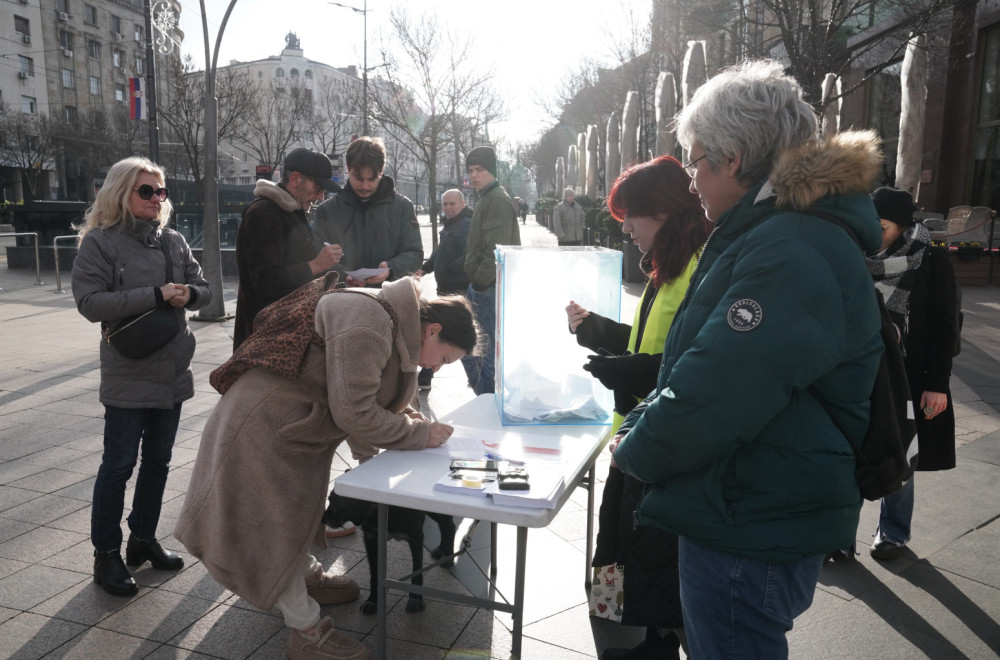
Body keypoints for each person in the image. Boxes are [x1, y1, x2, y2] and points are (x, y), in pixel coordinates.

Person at [610, 60, 885, 659]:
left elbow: (718, 389)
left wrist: (634, 449)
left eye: (695, 162)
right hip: (750, 501)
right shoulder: (779, 234)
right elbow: (706, 363)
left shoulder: (789, 246)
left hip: (749, 515)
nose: (691, 180)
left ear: (732, 159)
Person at [174, 276, 478, 660]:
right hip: (262, 426)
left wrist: (413, 428)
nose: (437, 367)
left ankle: (302, 575)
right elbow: (356, 412)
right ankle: (306, 631)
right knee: (274, 525)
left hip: (288, 424)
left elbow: (370, 392)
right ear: (433, 330)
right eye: (445, 358)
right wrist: (419, 434)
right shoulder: (370, 325)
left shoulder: (396, 321)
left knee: (294, 513)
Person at [568, 156, 711, 660]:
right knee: (628, 553)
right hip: (636, 439)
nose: (625, 227)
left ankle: (655, 640)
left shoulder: (699, 270)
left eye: (631, 214)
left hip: (661, 445)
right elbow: (650, 343)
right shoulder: (667, 269)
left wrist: (627, 371)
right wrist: (597, 331)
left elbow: (693, 369)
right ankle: (647, 637)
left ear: (665, 211)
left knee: (646, 558)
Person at [71, 156, 212, 597]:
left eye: (160, 191)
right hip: (128, 372)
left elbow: (205, 290)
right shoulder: (100, 242)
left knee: (159, 461)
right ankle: (106, 555)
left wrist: (189, 294)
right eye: (146, 190)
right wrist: (155, 294)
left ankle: (143, 538)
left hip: (173, 371)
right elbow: (90, 303)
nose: (156, 198)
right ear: (121, 193)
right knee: (118, 465)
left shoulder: (173, 240)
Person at [867, 187, 960, 561]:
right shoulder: (856, 253)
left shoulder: (931, 259)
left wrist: (937, 384)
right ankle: (838, 535)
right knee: (847, 449)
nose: (874, 234)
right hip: (860, 369)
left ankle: (893, 531)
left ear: (904, 227)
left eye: (882, 227)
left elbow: (945, 325)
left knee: (901, 452)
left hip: (906, 373)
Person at [233, 148, 343, 351]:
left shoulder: (292, 212)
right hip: (267, 343)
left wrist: (342, 279)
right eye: (318, 188)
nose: (320, 196)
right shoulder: (263, 214)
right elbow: (265, 282)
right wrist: (316, 265)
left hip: (288, 336)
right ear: (295, 179)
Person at [312, 136, 423, 288]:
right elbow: (316, 254)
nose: (364, 186)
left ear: (381, 171)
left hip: (389, 296)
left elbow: (415, 253)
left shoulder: (403, 207)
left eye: (371, 179)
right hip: (343, 297)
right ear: (348, 169)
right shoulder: (327, 210)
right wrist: (343, 275)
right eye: (358, 178)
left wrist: (390, 269)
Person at [463, 145, 521, 395]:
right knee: (480, 345)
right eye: (470, 170)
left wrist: (480, 280)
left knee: (483, 348)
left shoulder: (495, 199)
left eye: (480, 169)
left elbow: (496, 249)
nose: (474, 175)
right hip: (487, 284)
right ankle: (488, 396)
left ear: (492, 170)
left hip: (488, 285)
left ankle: (487, 398)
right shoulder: (489, 197)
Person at [415, 188, 474, 390]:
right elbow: (439, 253)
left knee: (455, 336)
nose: (448, 208)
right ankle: (426, 375)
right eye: (445, 204)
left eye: (452, 204)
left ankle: (476, 379)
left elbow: (469, 255)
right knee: (442, 333)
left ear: (462, 203)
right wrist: (425, 269)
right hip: (447, 289)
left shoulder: (465, 225)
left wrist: (449, 268)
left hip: (459, 291)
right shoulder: (451, 224)